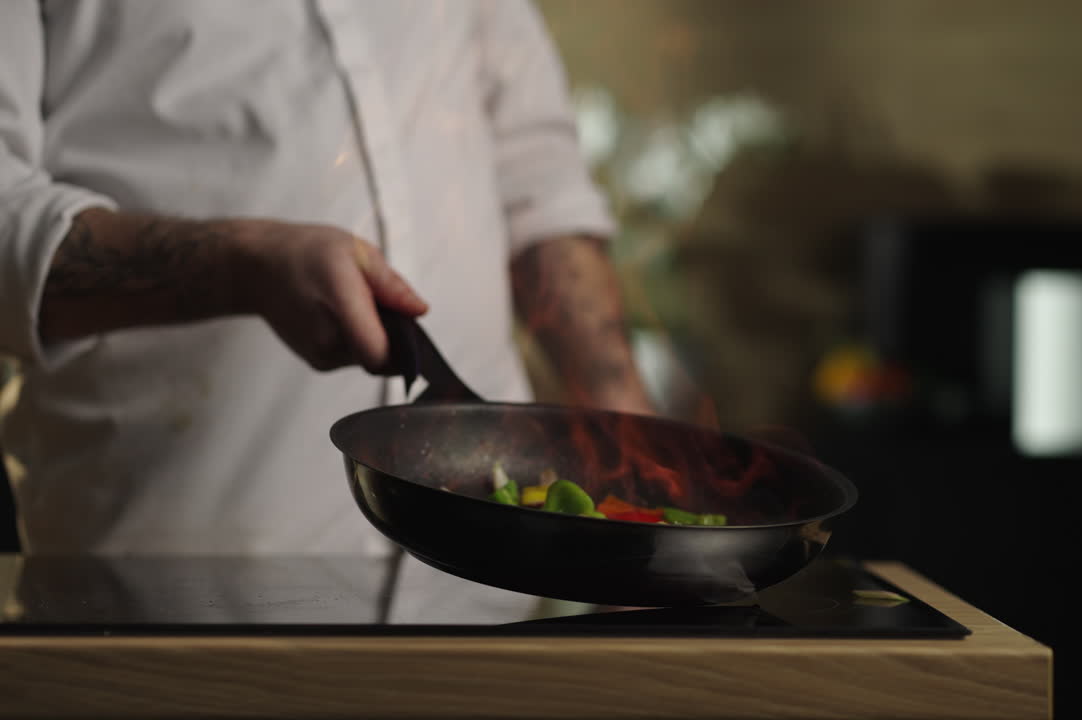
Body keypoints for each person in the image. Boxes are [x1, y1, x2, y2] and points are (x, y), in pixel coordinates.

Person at [0, 1, 653, 619]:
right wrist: (240, 262)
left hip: (491, 602)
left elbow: (538, 178)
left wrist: (639, 476)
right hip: (181, 612)